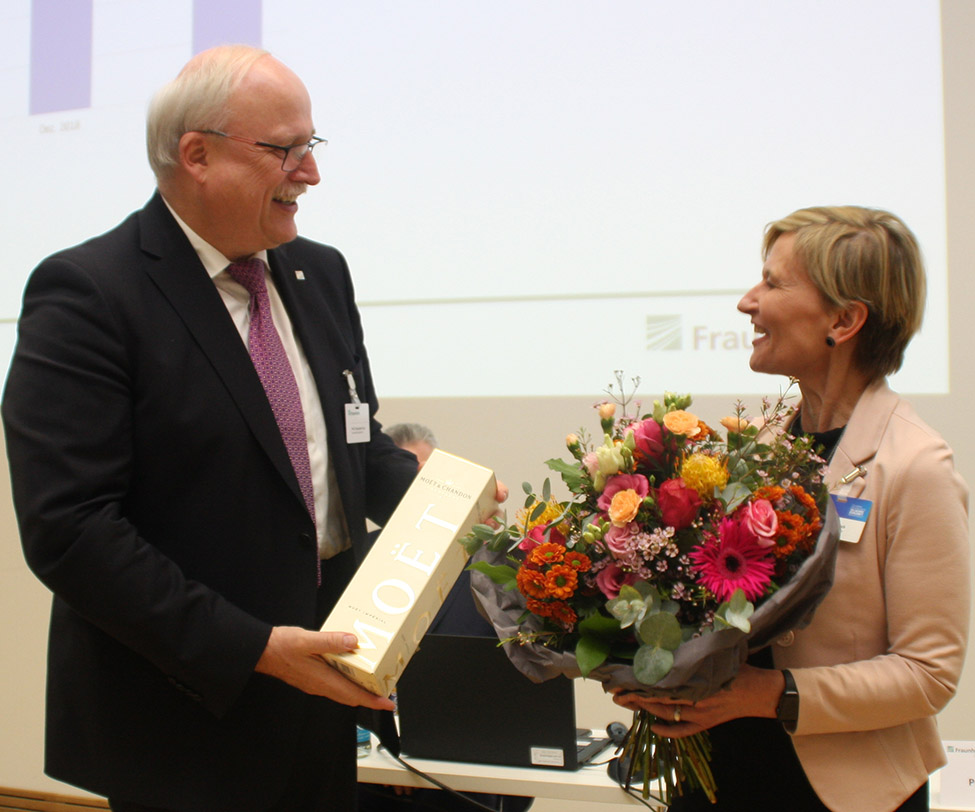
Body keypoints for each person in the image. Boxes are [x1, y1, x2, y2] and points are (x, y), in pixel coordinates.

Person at [2, 45, 505, 812]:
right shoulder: (89, 294)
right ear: (196, 155)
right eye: (285, 150)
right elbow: (70, 530)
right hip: (186, 708)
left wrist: (451, 500)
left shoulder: (318, 272)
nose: (310, 173)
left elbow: (353, 452)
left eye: (313, 147)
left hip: (324, 689)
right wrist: (254, 649)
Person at [613, 206, 969, 812]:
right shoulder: (759, 448)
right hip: (715, 774)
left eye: (774, 283)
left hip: (842, 794)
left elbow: (928, 674)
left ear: (844, 319)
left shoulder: (915, 466)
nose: (747, 302)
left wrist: (774, 694)